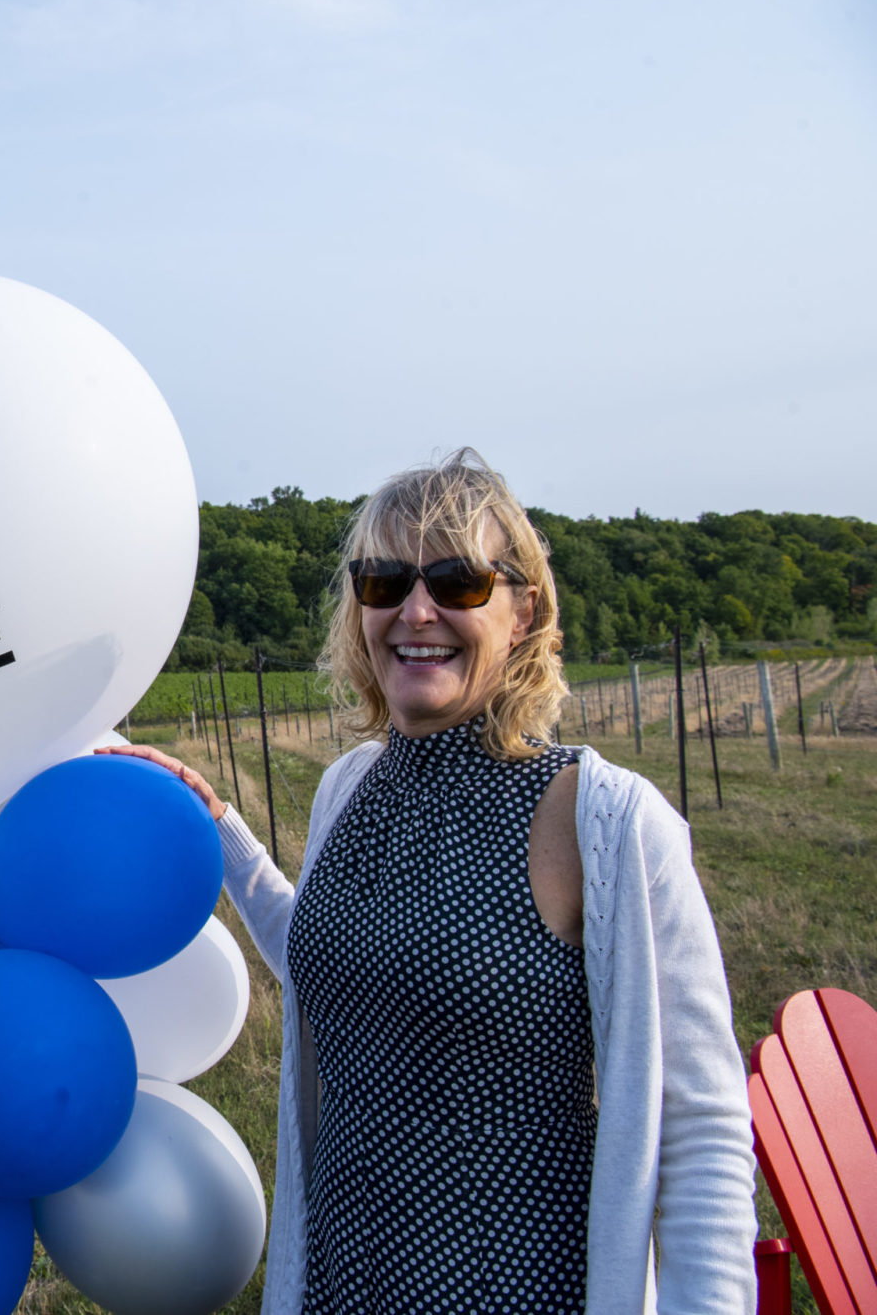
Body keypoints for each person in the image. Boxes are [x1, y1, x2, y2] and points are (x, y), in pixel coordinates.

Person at [106, 448, 755, 1314]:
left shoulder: (604, 820)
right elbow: (342, 960)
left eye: (458, 581)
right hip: (347, 1281)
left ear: (523, 610)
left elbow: (703, 1133)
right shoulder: (351, 785)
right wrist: (217, 828)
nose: (417, 610)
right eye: (384, 581)